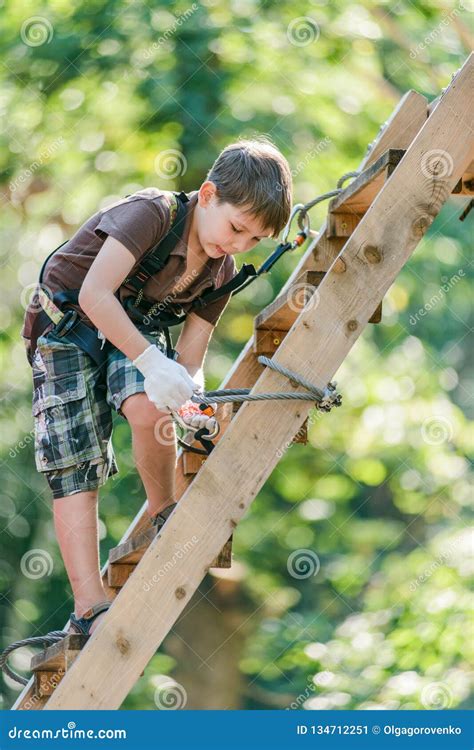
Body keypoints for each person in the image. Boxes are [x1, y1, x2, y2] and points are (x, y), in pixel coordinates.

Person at [21, 137, 293, 636]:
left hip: (132, 327)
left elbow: (190, 359)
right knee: (76, 465)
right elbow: (94, 293)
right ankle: (88, 606)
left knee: (151, 407)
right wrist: (150, 360)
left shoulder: (221, 271)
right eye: (236, 228)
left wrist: (191, 401)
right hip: (67, 325)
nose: (237, 245)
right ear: (207, 195)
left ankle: (163, 509)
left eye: (254, 241)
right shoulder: (152, 214)